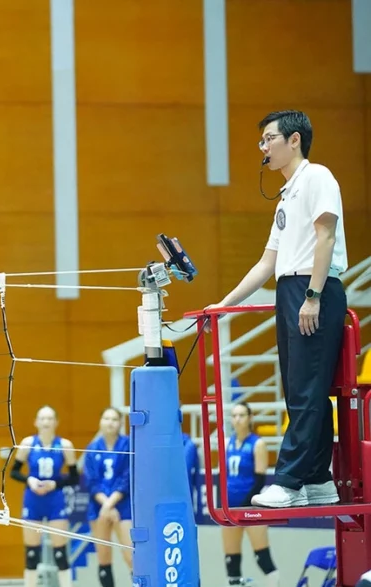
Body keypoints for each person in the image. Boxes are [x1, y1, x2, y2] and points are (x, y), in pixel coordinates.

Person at [206, 110, 348, 508]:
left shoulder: (318, 177)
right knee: (302, 391)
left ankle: (287, 482)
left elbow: (326, 234)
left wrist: (314, 296)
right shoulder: (286, 196)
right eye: (262, 141)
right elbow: (267, 263)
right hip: (290, 289)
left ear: (294, 140)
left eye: (269, 139)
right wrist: (225, 304)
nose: (264, 148)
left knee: (305, 391)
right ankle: (319, 479)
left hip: (312, 289)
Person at [10, 406, 78, 587]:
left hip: (55, 499)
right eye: (42, 418)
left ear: (56, 422)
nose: (46, 422)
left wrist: (54, 484)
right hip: (33, 499)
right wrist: (30, 480)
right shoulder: (27, 443)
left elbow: (74, 477)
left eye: (49, 418)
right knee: (32, 553)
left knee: (60, 552)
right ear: (36, 422)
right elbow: (13, 472)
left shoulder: (65, 445)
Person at [222, 403, 278, 586]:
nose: (237, 419)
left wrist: (244, 506)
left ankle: (275, 583)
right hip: (229, 508)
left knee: (262, 557)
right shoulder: (227, 443)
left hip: (251, 507)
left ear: (250, 418)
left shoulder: (257, 443)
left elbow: (260, 480)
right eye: (234, 415)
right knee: (231, 559)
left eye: (241, 415)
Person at [82, 408, 133, 587]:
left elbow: (127, 477)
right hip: (99, 507)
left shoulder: (128, 445)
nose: (110, 422)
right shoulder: (92, 448)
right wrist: (105, 504)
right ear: (100, 422)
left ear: (120, 423)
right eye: (106, 418)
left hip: (123, 505)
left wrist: (111, 504)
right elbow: (90, 480)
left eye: (114, 419)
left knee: (132, 557)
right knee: (103, 559)